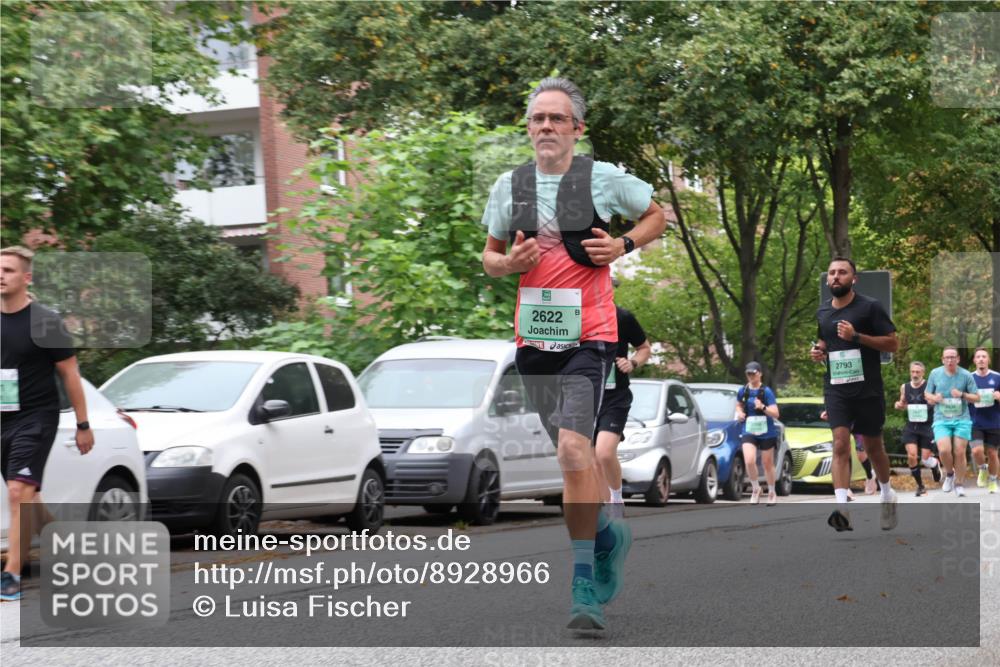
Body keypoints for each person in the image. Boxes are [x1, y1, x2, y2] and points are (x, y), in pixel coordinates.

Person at [481, 77, 665, 630]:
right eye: (538, 118)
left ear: (576, 128)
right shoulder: (509, 186)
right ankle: (606, 536)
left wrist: (623, 243)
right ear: (528, 127)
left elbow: (657, 216)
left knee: (571, 449)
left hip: (591, 336)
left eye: (557, 118)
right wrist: (509, 265)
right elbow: (490, 257)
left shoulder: (601, 178)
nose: (546, 126)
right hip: (534, 343)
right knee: (574, 461)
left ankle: (583, 586)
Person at [1, 246, 93, 602]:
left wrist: (83, 424)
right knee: (28, 496)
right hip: (2, 419)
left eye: (8, 270)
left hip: (36, 417)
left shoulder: (46, 322)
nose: (0, 275)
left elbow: (70, 374)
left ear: (26, 278)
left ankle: (11, 576)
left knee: (17, 492)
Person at [810, 256, 899, 532]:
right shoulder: (823, 311)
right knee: (839, 444)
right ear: (827, 279)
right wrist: (819, 350)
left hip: (867, 389)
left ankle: (887, 494)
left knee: (873, 447)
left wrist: (857, 337)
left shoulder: (870, 307)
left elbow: (893, 343)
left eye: (842, 272)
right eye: (832, 273)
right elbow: (825, 340)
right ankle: (842, 509)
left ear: (854, 279)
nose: (836, 276)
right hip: (836, 388)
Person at [593, 304, 651, 520]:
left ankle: (616, 498)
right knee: (592, 460)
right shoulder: (574, 314)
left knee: (604, 452)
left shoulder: (622, 317)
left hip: (614, 396)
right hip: (585, 395)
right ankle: (606, 507)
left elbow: (644, 348)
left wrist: (632, 362)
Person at [925, 346, 979, 497]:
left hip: (962, 419)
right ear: (942, 359)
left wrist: (962, 394)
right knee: (944, 450)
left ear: (958, 359)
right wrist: (934, 398)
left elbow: (977, 397)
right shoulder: (935, 373)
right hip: (941, 419)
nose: (950, 360)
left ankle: (959, 484)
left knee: (959, 452)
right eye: (947, 357)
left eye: (953, 357)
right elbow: (927, 393)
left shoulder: (966, 375)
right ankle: (950, 474)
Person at [734, 362, 780, 505]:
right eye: (748, 374)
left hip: (766, 431)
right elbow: (738, 404)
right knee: (749, 460)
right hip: (749, 429)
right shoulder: (743, 390)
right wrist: (740, 413)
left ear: (760, 374)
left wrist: (763, 407)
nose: (751, 376)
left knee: (767, 463)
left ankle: (771, 491)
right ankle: (755, 488)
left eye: (753, 373)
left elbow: (776, 413)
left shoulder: (766, 392)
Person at [893, 361, 941, 497]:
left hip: (927, 426)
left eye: (917, 372)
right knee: (912, 455)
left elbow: (938, 401)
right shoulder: (905, 387)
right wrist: (898, 405)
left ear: (923, 373)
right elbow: (902, 403)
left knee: (925, 459)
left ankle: (934, 464)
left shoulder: (930, 386)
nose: (915, 374)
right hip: (911, 426)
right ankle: (920, 486)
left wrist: (934, 401)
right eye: (913, 372)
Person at [968, 347, 1000, 493]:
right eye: (978, 357)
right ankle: (982, 468)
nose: (981, 359)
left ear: (988, 360)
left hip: (994, 422)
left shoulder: (997, 377)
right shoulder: (968, 378)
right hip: (975, 421)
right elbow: (962, 397)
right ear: (974, 360)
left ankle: (993, 481)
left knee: (993, 453)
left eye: (984, 356)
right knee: (977, 451)